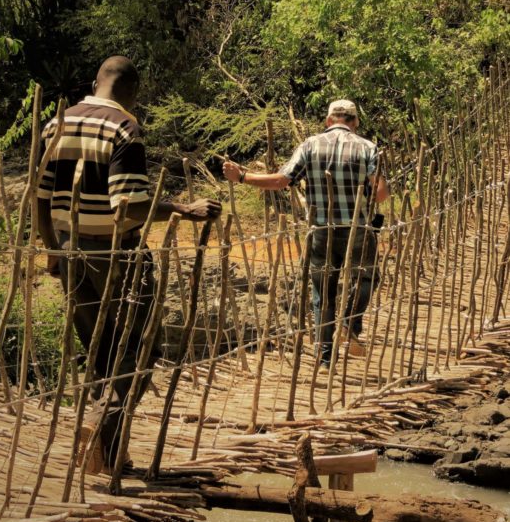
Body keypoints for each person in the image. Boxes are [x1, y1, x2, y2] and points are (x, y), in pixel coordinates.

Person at [37, 55, 221, 474]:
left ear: (95, 81)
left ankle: (104, 443)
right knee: (137, 350)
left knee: (99, 350)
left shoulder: (57, 123)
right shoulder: (124, 128)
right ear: (133, 91)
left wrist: (52, 249)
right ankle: (105, 432)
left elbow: (39, 197)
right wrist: (182, 207)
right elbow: (128, 207)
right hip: (116, 255)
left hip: (70, 251)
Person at [223, 100, 388, 369]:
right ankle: (348, 324)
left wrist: (243, 176)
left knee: (323, 291)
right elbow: (380, 193)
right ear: (355, 122)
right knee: (367, 276)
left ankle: (324, 358)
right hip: (358, 227)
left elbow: (280, 181)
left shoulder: (310, 145)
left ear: (328, 121)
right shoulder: (368, 147)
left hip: (321, 228)